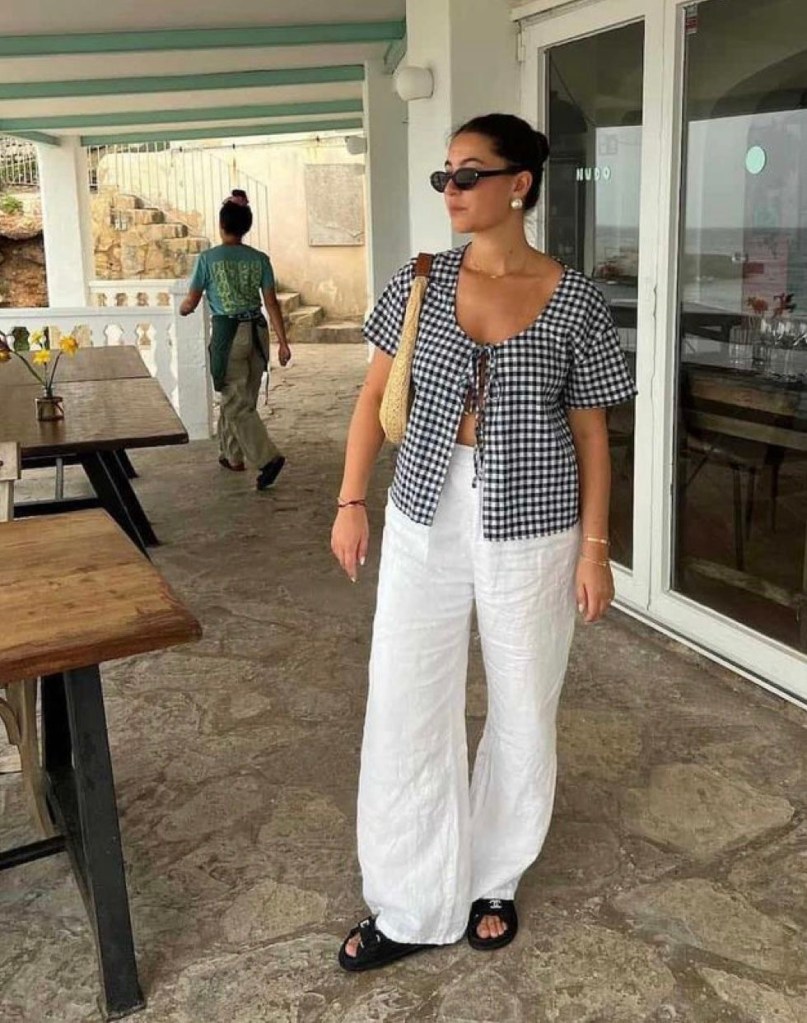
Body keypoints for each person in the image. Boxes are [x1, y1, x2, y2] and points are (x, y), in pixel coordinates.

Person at [330, 113, 636, 971]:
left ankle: (493, 876)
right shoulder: (420, 279)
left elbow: (592, 435)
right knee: (404, 696)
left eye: (468, 174)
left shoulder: (575, 299)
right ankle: (407, 899)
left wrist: (594, 548)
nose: (451, 190)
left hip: (535, 524)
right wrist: (351, 500)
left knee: (523, 701)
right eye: (445, 175)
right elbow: (372, 397)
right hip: (424, 509)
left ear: (519, 184)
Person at [180, 189, 291, 491]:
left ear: (221, 225)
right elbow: (271, 303)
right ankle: (232, 455)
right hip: (257, 333)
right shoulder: (260, 260)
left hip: (229, 335)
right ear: (246, 226)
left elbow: (191, 301)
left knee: (235, 401)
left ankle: (268, 458)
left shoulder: (208, 259)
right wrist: (283, 342)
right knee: (243, 399)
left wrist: (183, 309)